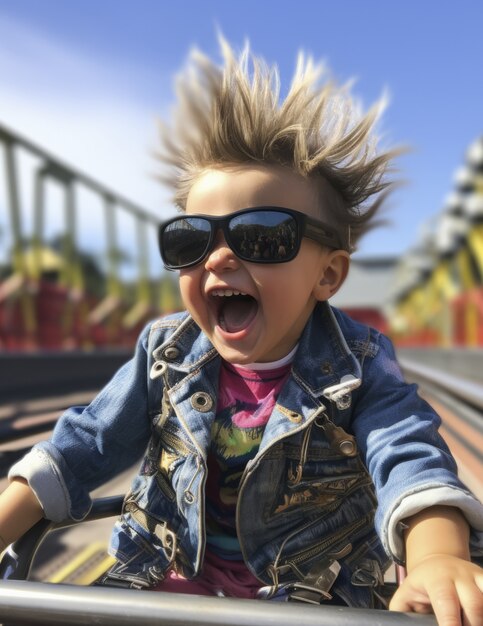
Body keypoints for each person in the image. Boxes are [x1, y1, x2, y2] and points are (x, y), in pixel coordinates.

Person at [1, 37, 482, 625]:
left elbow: (406, 451)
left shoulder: (358, 363)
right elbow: (86, 445)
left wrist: (437, 555)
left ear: (327, 274)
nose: (219, 259)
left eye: (261, 236)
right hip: (163, 580)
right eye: (191, 239)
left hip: (307, 601)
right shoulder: (165, 351)